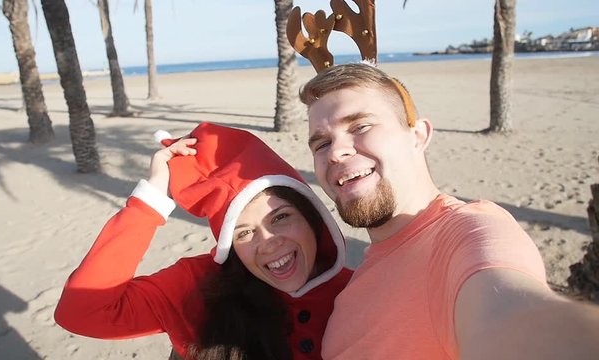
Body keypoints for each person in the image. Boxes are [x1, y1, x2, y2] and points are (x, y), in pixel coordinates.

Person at [300, 63, 599, 360]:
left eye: (360, 126)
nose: (336, 152)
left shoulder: (466, 233)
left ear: (418, 136)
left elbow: (514, 315)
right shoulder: (362, 272)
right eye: (322, 144)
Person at [54, 122, 353, 359]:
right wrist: (151, 200)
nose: (269, 242)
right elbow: (82, 312)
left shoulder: (360, 289)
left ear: (312, 217)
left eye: (280, 218)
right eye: (244, 232)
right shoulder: (198, 289)